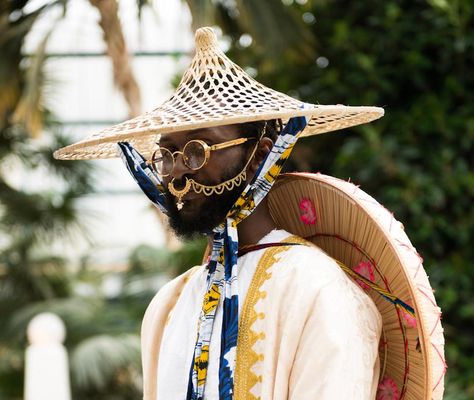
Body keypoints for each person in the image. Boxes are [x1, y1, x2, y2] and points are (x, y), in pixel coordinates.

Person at [55, 27, 446, 400]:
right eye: (167, 154)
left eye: (198, 149)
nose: (176, 172)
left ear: (261, 154)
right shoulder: (169, 303)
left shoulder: (318, 288)